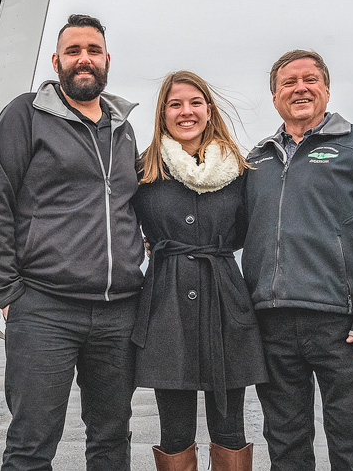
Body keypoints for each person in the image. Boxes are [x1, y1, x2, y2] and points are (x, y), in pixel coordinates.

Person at [0, 13, 145, 471]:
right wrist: (9, 292)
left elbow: (131, 207)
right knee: (32, 443)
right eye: (73, 51)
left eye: (93, 51)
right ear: (56, 61)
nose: (83, 59)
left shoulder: (122, 129)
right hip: (45, 308)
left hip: (118, 311)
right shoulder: (25, 115)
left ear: (107, 60)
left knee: (112, 439)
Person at [241, 50, 353, 471]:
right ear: (274, 96)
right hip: (271, 321)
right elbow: (228, 228)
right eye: (288, 82)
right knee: (285, 442)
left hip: (341, 324)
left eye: (310, 79)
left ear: (326, 89)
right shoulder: (257, 159)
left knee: (347, 443)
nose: (300, 87)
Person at [131, 71, 267, 471]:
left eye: (194, 103)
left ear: (209, 110)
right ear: (163, 113)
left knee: (230, 428)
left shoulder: (239, 170)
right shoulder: (144, 170)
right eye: (175, 104)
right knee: (174, 431)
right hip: (165, 305)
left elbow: (247, 230)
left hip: (226, 300)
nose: (185, 111)